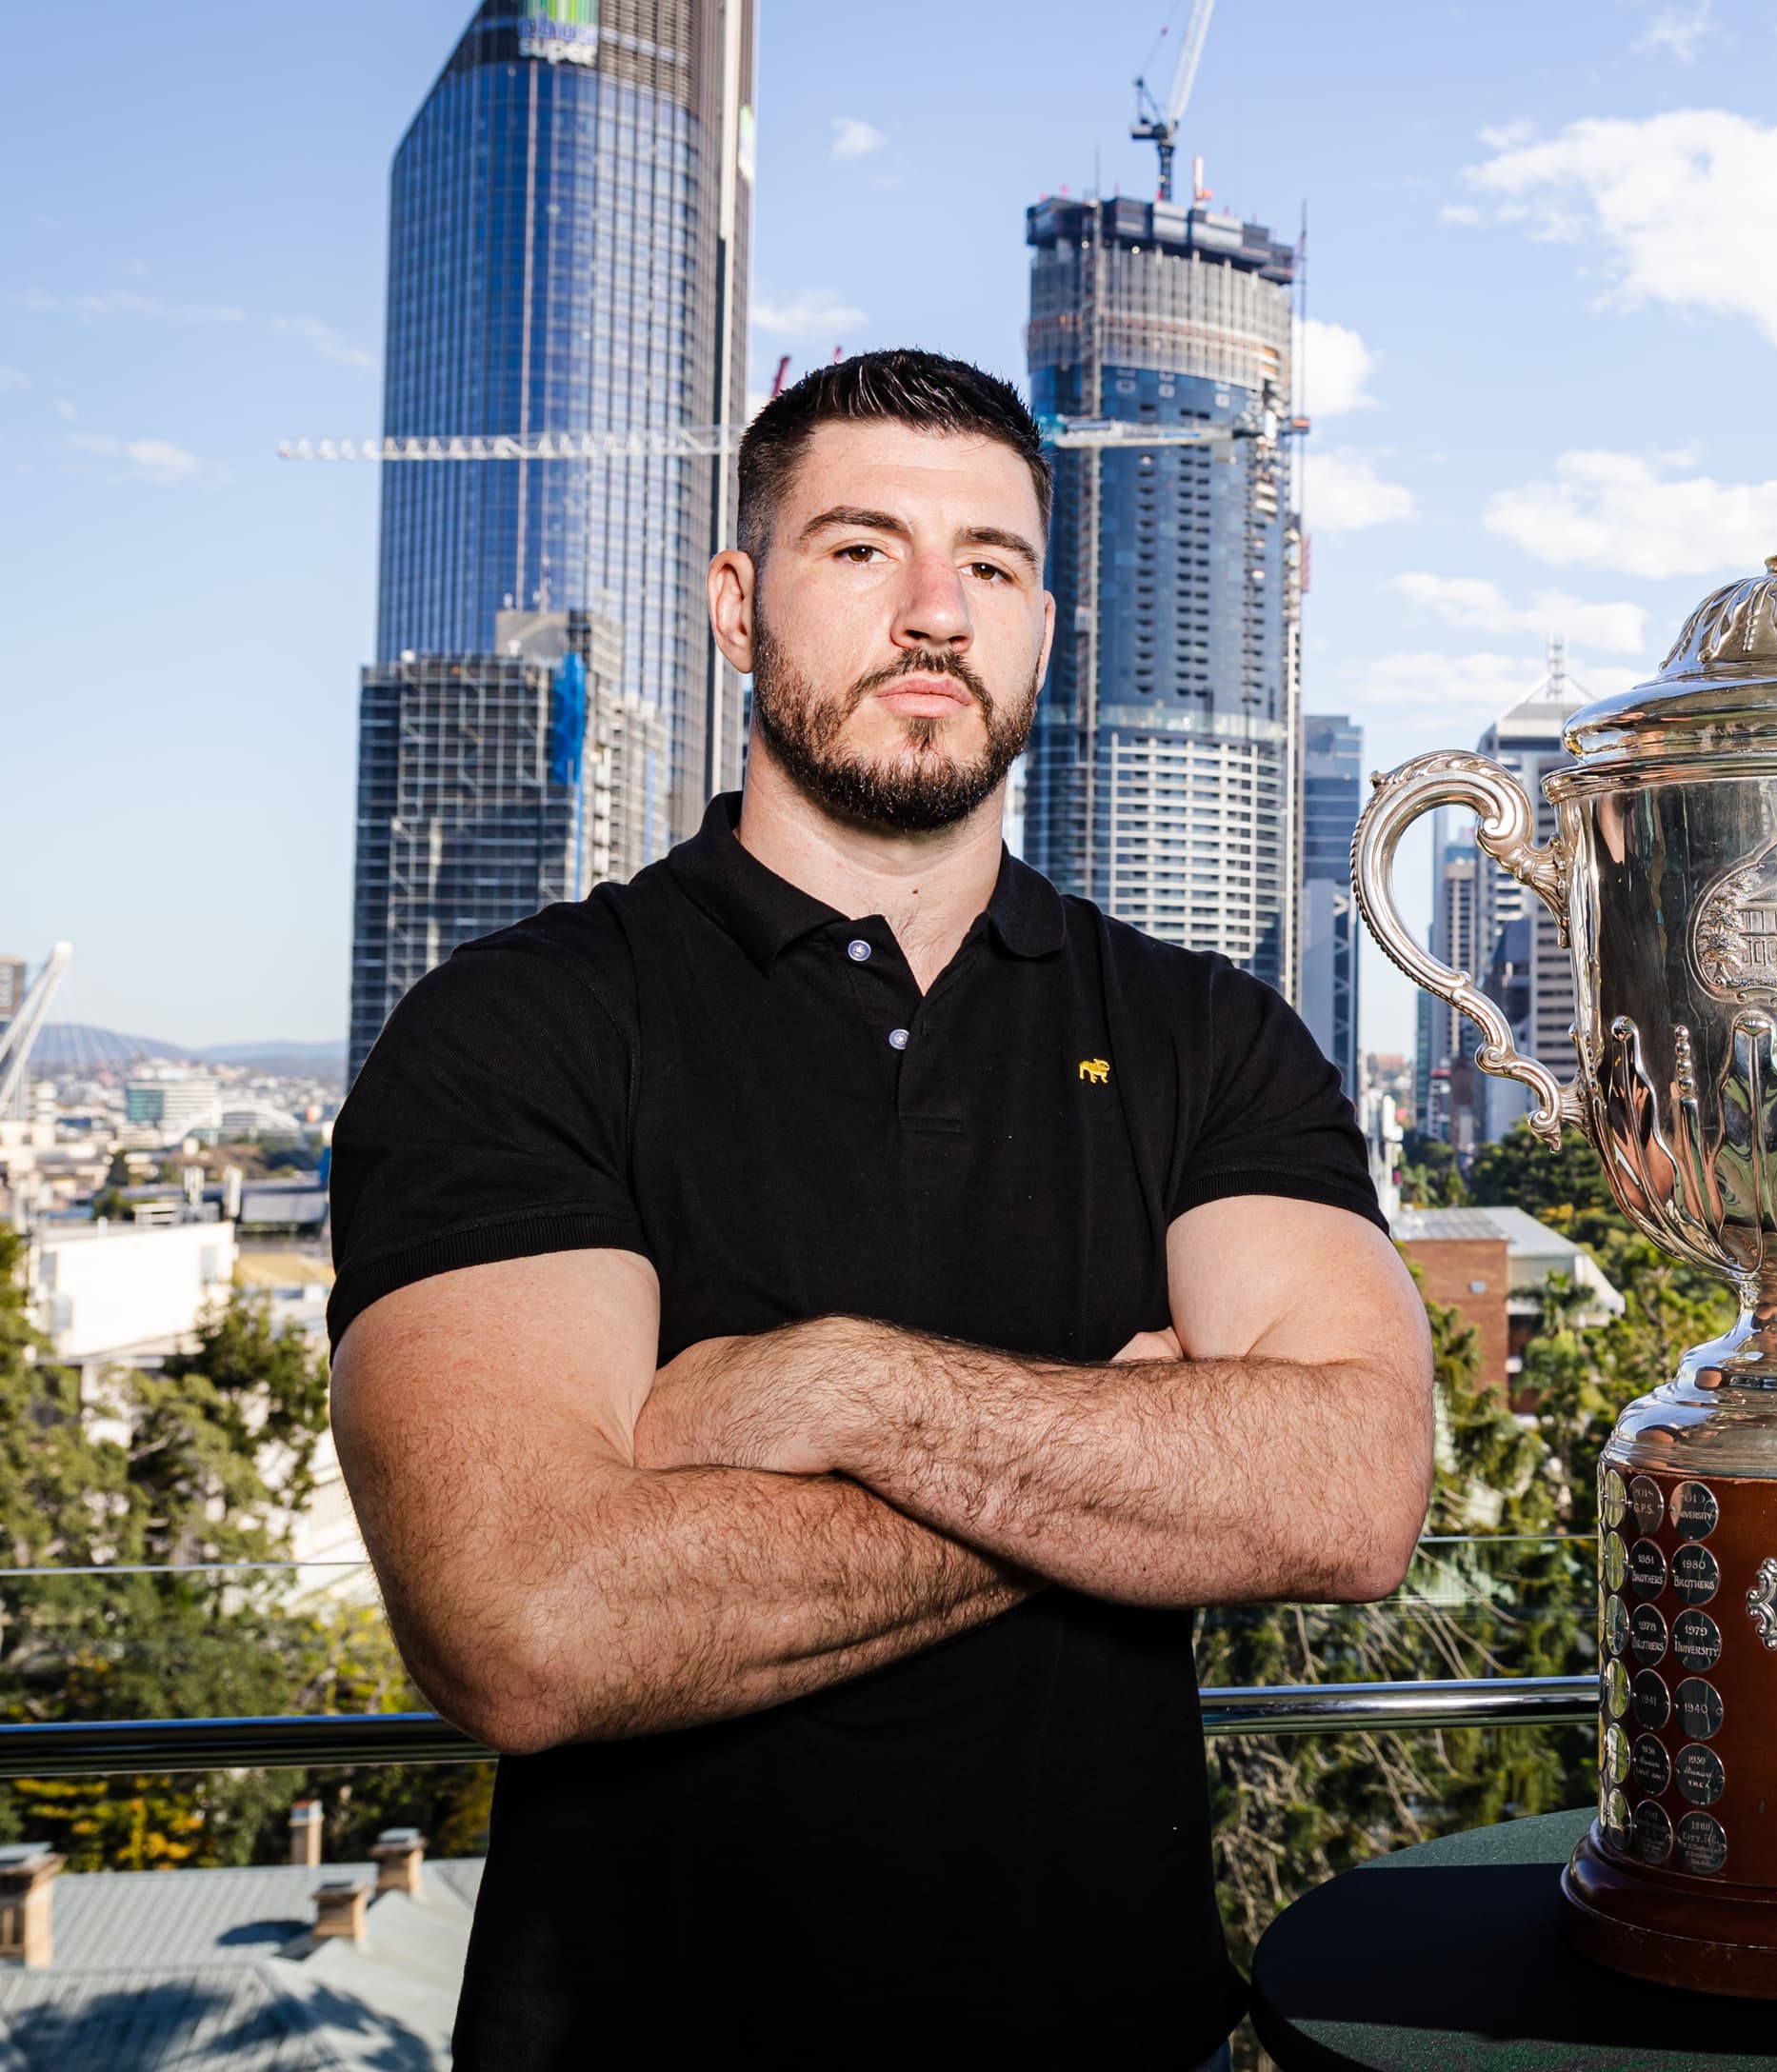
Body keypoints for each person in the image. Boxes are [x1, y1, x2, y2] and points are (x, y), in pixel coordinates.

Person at [328, 350, 1433, 2069]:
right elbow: (528, 1618)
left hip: (1134, 2045)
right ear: (735, 601)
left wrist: (839, 1388)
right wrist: (1130, 1459)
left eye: (990, 565)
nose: (935, 612)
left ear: (1045, 632)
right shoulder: (521, 1026)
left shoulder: (1205, 1034)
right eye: (861, 548)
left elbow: (1353, 1494)